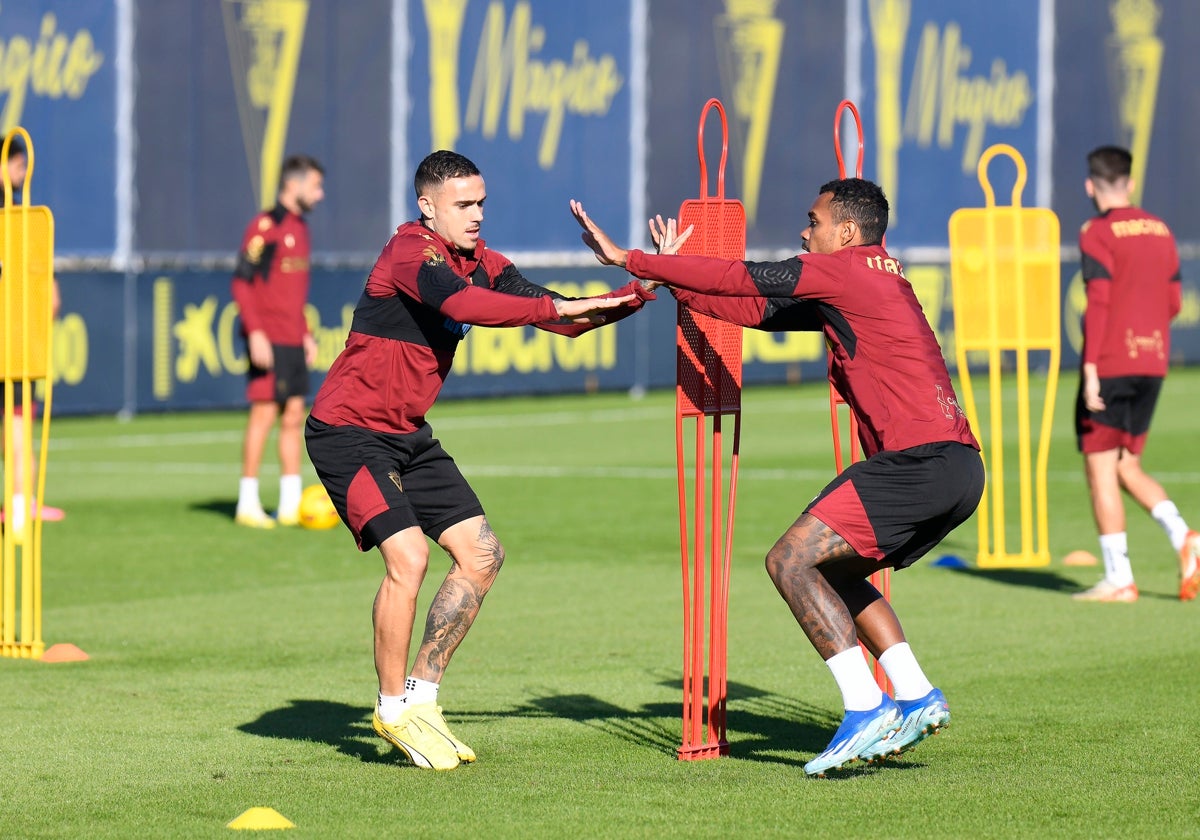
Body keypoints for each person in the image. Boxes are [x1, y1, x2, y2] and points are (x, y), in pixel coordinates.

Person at [570, 177, 984, 777]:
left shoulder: (842, 271)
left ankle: (866, 708)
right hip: (956, 468)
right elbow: (756, 311)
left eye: (812, 220)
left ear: (845, 231)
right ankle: (915, 693)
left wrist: (635, 260)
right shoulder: (873, 275)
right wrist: (674, 281)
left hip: (918, 462)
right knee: (835, 571)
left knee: (788, 561)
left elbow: (745, 277)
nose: (803, 230)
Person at [304, 149, 653, 771]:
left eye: (481, 202)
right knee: (408, 558)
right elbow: (462, 306)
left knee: (482, 554)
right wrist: (558, 308)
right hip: (347, 432)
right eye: (463, 204)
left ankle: (423, 698)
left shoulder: (484, 262)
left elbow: (559, 315)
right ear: (426, 205)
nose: (475, 214)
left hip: (408, 435)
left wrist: (635, 292)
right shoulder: (411, 252)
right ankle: (390, 710)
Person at [1071, 145, 1199, 603]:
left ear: (1091, 185)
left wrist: (1089, 370)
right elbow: (1175, 303)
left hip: (1111, 362)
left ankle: (1119, 578)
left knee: (1100, 470)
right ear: (1129, 181)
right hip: (1154, 361)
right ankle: (1185, 536)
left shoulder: (1096, 233)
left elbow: (1100, 302)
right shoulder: (1161, 229)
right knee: (1127, 465)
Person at [231, 154, 325, 528]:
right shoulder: (265, 226)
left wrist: (305, 334)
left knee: (292, 417)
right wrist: (254, 331)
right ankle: (248, 502)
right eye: (315, 186)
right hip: (267, 338)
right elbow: (242, 280)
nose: (320, 194)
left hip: (292, 337)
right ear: (294, 184)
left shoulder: (301, 229)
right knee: (264, 414)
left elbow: (293, 293)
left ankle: (289, 503)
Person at [1, 133, 63, 536]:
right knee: (17, 423)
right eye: (17, 164)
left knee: (18, 423)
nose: (22, 173)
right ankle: (20, 508)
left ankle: (23, 504)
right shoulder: (17, 216)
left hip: (16, 338)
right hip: (13, 338)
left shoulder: (23, 215)